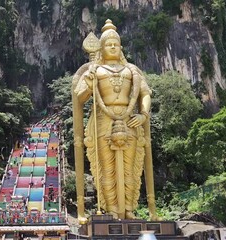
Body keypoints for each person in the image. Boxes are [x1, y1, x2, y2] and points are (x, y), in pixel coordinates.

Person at [73, 19, 157, 220]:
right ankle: (111, 209)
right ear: (101, 48)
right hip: (103, 119)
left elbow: (145, 94)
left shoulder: (132, 70)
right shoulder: (95, 70)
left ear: (121, 48)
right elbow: (79, 97)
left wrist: (143, 114)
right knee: (107, 167)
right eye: (108, 44)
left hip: (130, 120)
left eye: (115, 44)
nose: (112, 47)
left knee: (130, 167)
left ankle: (128, 208)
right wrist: (89, 80)